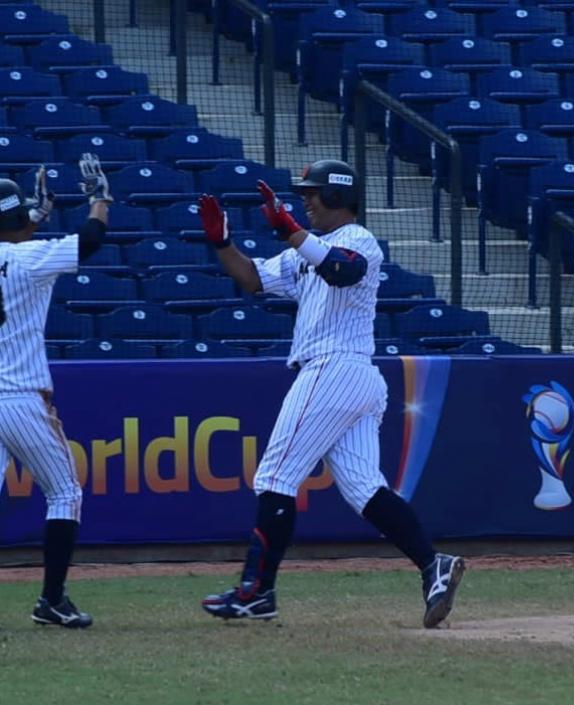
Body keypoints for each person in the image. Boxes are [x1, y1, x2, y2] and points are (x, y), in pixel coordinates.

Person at [196, 159, 465, 628]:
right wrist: (222, 242)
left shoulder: (356, 239)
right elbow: (253, 279)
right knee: (365, 488)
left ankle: (257, 591)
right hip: (350, 377)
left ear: (339, 197)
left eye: (314, 193)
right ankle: (432, 563)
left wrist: (293, 231)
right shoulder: (307, 248)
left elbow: (343, 271)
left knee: (274, 476)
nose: (305, 200)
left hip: (334, 367)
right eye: (303, 194)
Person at [0, 155, 112, 632]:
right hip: (21, 399)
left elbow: (6, 238)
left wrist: (35, 212)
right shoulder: (27, 259)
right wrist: (99, 198)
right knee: (65, 493)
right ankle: (51, 601)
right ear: (16, 220)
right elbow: (90, 239)